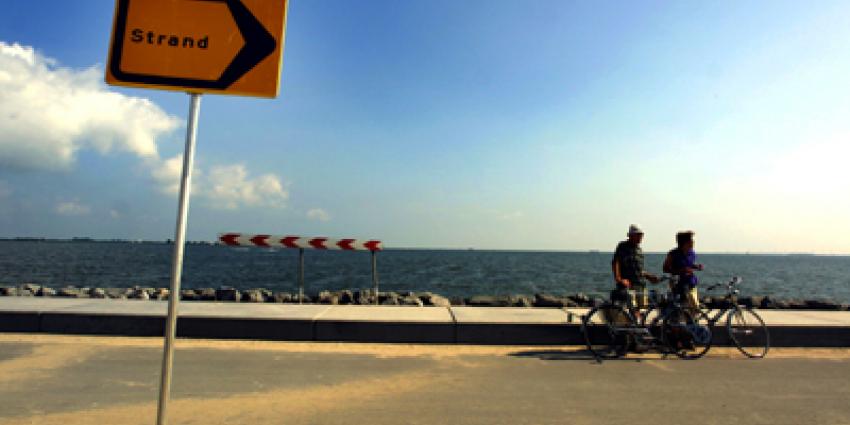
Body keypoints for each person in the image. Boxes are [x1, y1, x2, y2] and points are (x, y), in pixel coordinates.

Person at [611, 224, 660, 313]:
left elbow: (639, 270)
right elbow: (615, 262)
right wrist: (619, 279)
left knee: (642, 309)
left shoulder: (639, 250)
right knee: (633, 310)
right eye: (638, 235)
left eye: (641, 235)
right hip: (628, 284)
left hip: (640, 284)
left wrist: (649, 276)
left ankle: (636, 325)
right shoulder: (622, 246)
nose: (640, 238)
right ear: (630, 236)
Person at [663, 231, 704, 311]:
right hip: (678, 284)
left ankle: (692, 322)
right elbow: (665, 268)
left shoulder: (692, 253)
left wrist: (696, 266)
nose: (693, 242)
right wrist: (680, 271)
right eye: (691, 240)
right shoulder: (673, 254)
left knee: (694, 305)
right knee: (680, 307)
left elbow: (690, 264)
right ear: (684, 242)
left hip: (691, 283)